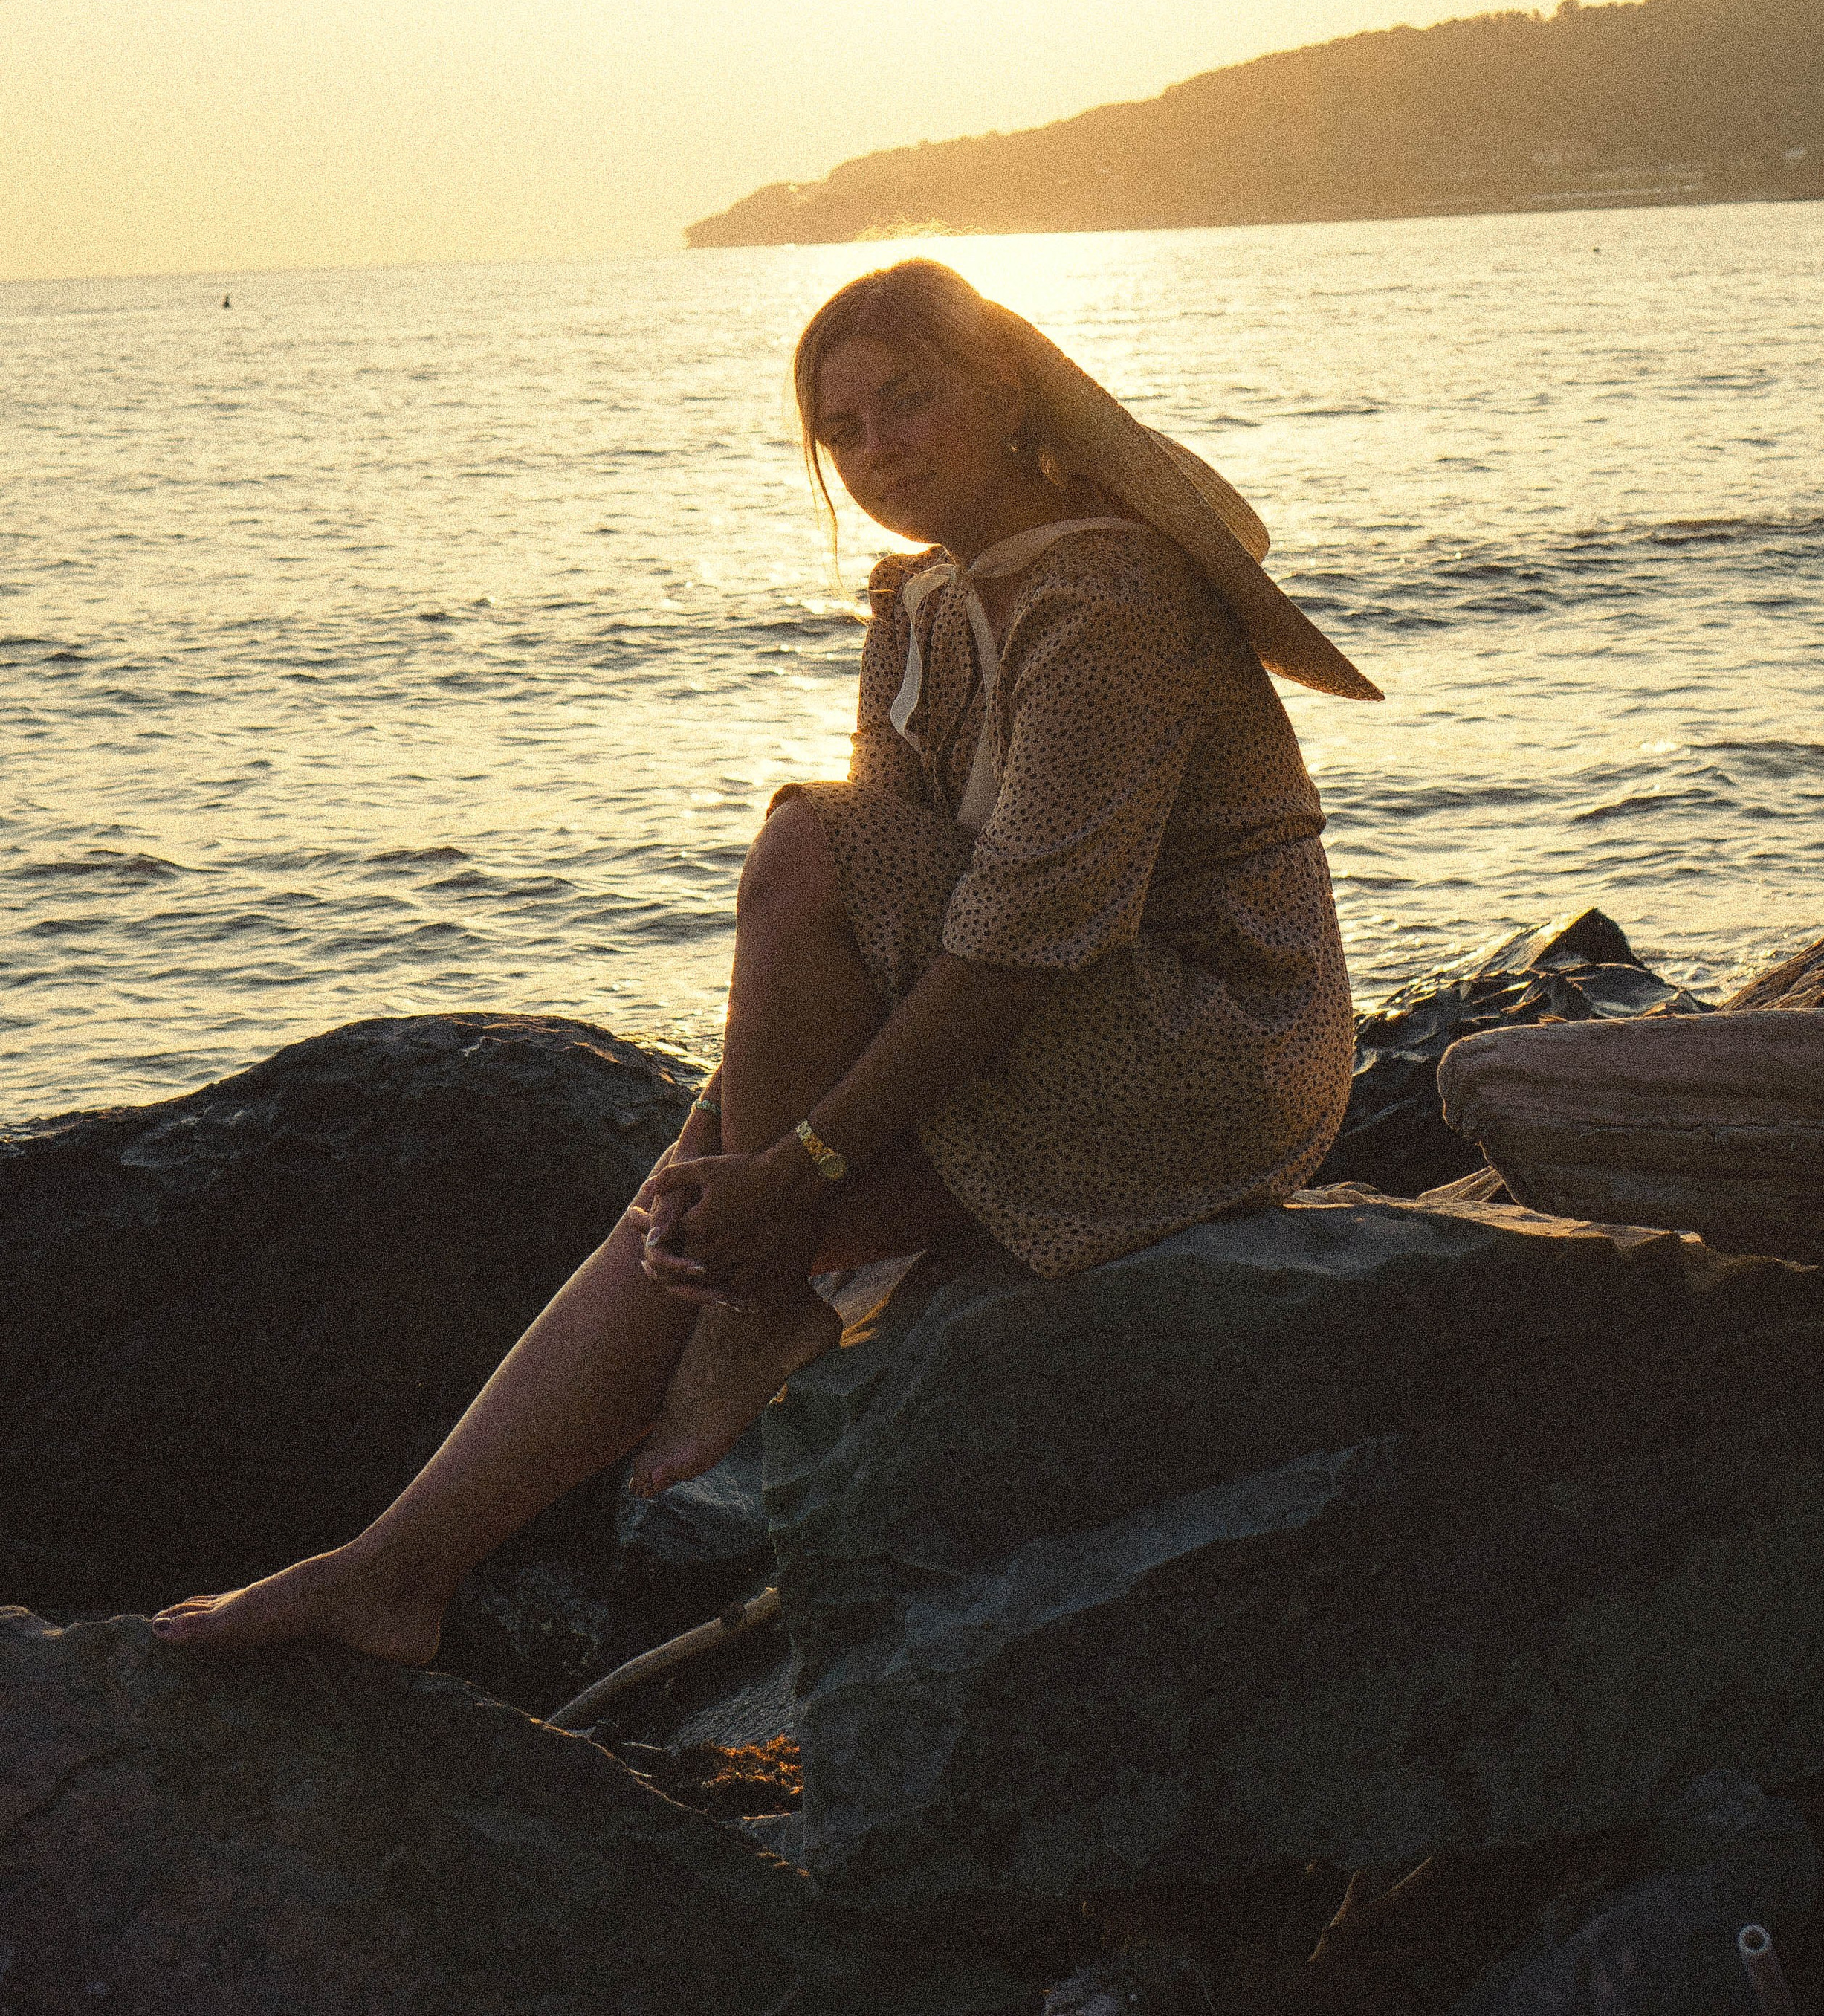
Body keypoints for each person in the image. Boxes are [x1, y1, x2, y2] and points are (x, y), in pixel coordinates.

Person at [151, 259, 1379, 1663]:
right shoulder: (923, 606)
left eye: (906, 404)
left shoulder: (1113, 601)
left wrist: (803, 1172)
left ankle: (765, 1300)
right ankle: (394, 1572)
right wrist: (750, 1159)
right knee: (686, 1205)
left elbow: (1013, 947)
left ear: (1007, 385)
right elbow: (888, 918)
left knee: (800, 866)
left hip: (1209, 1055)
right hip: (1065, 1039)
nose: (876, 453)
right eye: (841, 433)